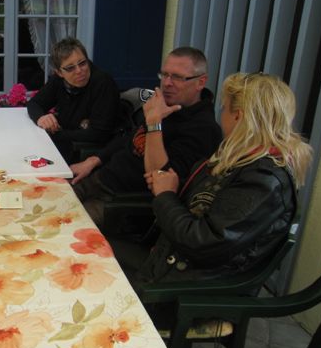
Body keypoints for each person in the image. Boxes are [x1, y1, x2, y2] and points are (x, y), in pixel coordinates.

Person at [134, 73, 312, 325]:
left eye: (225, 108)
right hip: (173, 268)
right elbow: (207, 205)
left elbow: (202, 242)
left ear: (238, 116)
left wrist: (166, 196)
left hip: (188, 295)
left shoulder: (262, 180)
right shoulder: (240, 160)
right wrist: (172, 186)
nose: (222, 116)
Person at [70, 47, 222, 227]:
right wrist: (93, 160)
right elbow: (131, 138)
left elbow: (160, 180)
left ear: (200, 82)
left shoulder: (204, 129)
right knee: (47, 198)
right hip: (102, 177)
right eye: (164, 75)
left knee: (60, 225)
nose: (167, 83)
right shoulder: (165, 104)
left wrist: (154, 123)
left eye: (177, 77)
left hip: (122, 203)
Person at [27, 37, 131, 163]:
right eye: (70, 68)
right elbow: (35, 103)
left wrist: (55, 133)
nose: (79, 71)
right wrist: (41, 118)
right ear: (59, 72)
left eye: (82, 63)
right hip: (68, 142)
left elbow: (99, 133)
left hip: (94, 152)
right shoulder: (58, 81)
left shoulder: (103, 83)